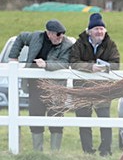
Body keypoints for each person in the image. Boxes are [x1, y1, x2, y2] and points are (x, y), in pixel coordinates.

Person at [8, 19, 74, 152]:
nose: (60, 37)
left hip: (56, 87)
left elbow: (65, 63)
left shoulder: (67, 44)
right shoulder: (35, 37)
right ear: (49, 33)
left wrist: (46, 64)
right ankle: (37, 152)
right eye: (58, 34)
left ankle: (55, 153)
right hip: (35, 85)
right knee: (35, 114)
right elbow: (20, 37)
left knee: (56, 116)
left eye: (62, 34)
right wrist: (13, 56)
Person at [69, 12, 120, 156]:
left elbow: (116, 64)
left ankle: (105, 150)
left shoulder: (110, 44)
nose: (99, 32)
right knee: (84, 120)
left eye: (101, 29)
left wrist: (105, 67)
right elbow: (73, 62)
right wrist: (90, 67)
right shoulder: (79, 44)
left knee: (105, 119)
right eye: (96, 29)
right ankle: (88, 150)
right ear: (89, 31)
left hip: (103, 89)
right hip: (82, 89)